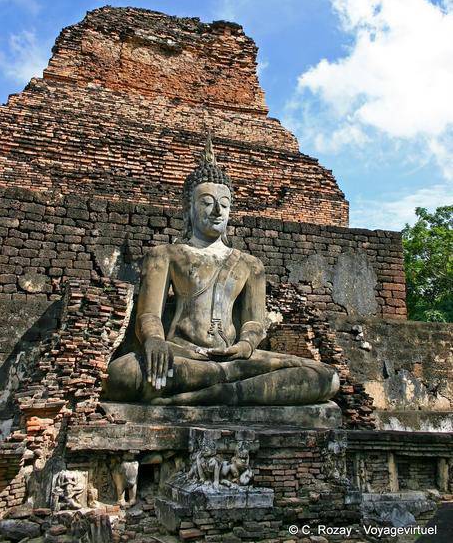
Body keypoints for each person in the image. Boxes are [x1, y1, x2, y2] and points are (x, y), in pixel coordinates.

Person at [104, 136, 339, 406]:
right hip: (183, 356)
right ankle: (231, 389)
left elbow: (253, 323)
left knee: (325, 376)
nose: (217, 211)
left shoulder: (250, 265)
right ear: (189, 209)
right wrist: (155, 341)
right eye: (206, 202)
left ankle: (211, 394)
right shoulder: (166, 255)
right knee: (120, 375)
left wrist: (247, 345)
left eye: (224, 205)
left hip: (236, 359)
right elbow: (149, 314)